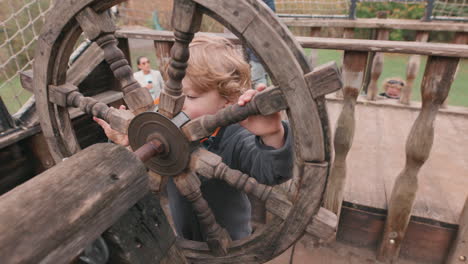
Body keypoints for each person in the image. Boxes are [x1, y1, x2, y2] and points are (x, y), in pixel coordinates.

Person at [94, 36, 293, 242]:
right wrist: (128, 141)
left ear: (228, 100)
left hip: (232, 242)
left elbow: (274, 172)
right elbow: (139, 165)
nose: (176, 104)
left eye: (190, 96)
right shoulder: (169, 128)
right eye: (171, 93)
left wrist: (272, 134)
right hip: (185, 238)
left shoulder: (235, 137)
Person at [246, 0, 276, 88]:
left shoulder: (266, 4)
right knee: (259, 78)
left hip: (260, 47)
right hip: (253, 46)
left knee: (257, 80)